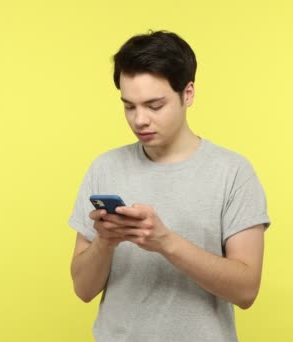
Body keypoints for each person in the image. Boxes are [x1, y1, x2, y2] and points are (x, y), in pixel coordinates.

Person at [68, 30, 271, 342]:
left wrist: (165, 242)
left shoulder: (233, 172)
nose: (140, 120)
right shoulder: (104, 168)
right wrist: (105, 242)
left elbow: (246, 290)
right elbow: (82, 290)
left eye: (154, 105)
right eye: (129, 106)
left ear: (187, 94)